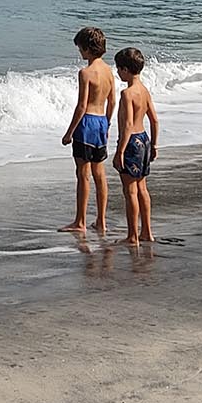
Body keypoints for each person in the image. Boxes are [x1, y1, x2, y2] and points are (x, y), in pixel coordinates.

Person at [58, 26, 115, 234]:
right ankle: (101, 220)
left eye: (81, 48)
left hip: (86, 123)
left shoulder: (85, 73)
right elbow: (112, 102)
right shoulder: (109, 71)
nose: (80, 52)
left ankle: (80, 222)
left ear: (88, 48)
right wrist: (107, 124)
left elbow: (81, 106)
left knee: (83, 174)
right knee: (100, 174)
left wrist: (69, 132)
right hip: (101, 121)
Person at [113, 47, 160, 246]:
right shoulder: (144, 90)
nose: (117, 72)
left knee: (129, 190)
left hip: (131, 142)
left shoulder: (127, 93)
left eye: (118, 68)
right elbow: (155, 120)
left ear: (125, 70)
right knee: (142, 188)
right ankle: (147, 232)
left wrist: (120, 151)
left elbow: (128, 125)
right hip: (145, 139)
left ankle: (132, 236)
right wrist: (155, 145)